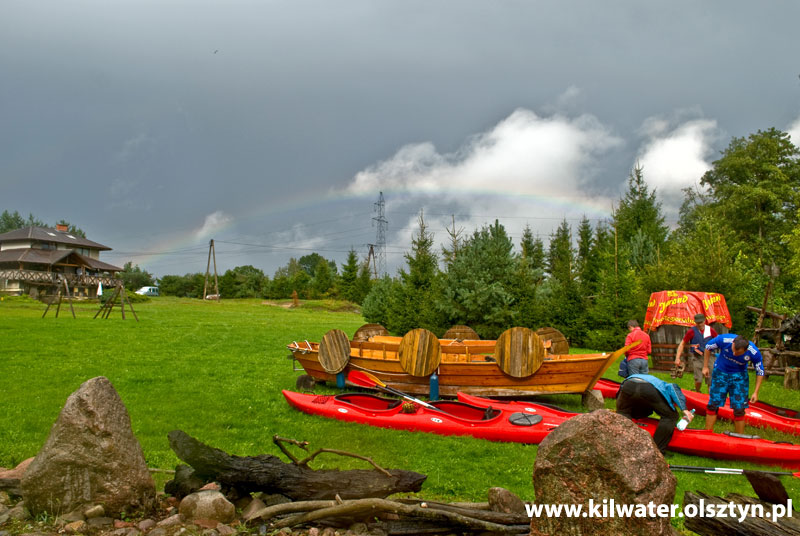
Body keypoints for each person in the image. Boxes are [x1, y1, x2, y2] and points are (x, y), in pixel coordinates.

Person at [702, 334, 764, 434]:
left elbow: (760, 371)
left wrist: (756, 392)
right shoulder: (724, 340)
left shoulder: (754, 352)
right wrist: (705, 366)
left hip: (739, 377)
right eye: (733, 350)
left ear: (745, 350)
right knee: (713, 404)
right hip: (720, 373)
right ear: (733, 343)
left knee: (739, 409)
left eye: (738, 353)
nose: (734, 354)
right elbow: (708, 347)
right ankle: (707, 433)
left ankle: (739, 437)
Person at [616, 374, 694, 453]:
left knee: (623, 412)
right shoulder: (667, 386)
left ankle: (619, 443)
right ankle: (657, 451)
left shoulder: (655, 382)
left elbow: (620, 394)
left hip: (628, 384)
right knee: (671, 416)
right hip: (647, 388)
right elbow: (674, 389)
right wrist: (685, 410)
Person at [674, 313, 718, 392]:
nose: (700, 324)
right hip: (697, 357)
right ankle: (697, 392)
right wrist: (677, 358)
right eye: (698, 323)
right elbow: (682, 344)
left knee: (710, 380)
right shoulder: (691, 331)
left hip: (710, 357)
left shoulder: (710, 330)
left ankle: (710, 396)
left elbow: (719, 341)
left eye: (701, 322)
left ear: (704, 321)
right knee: (698, 380)